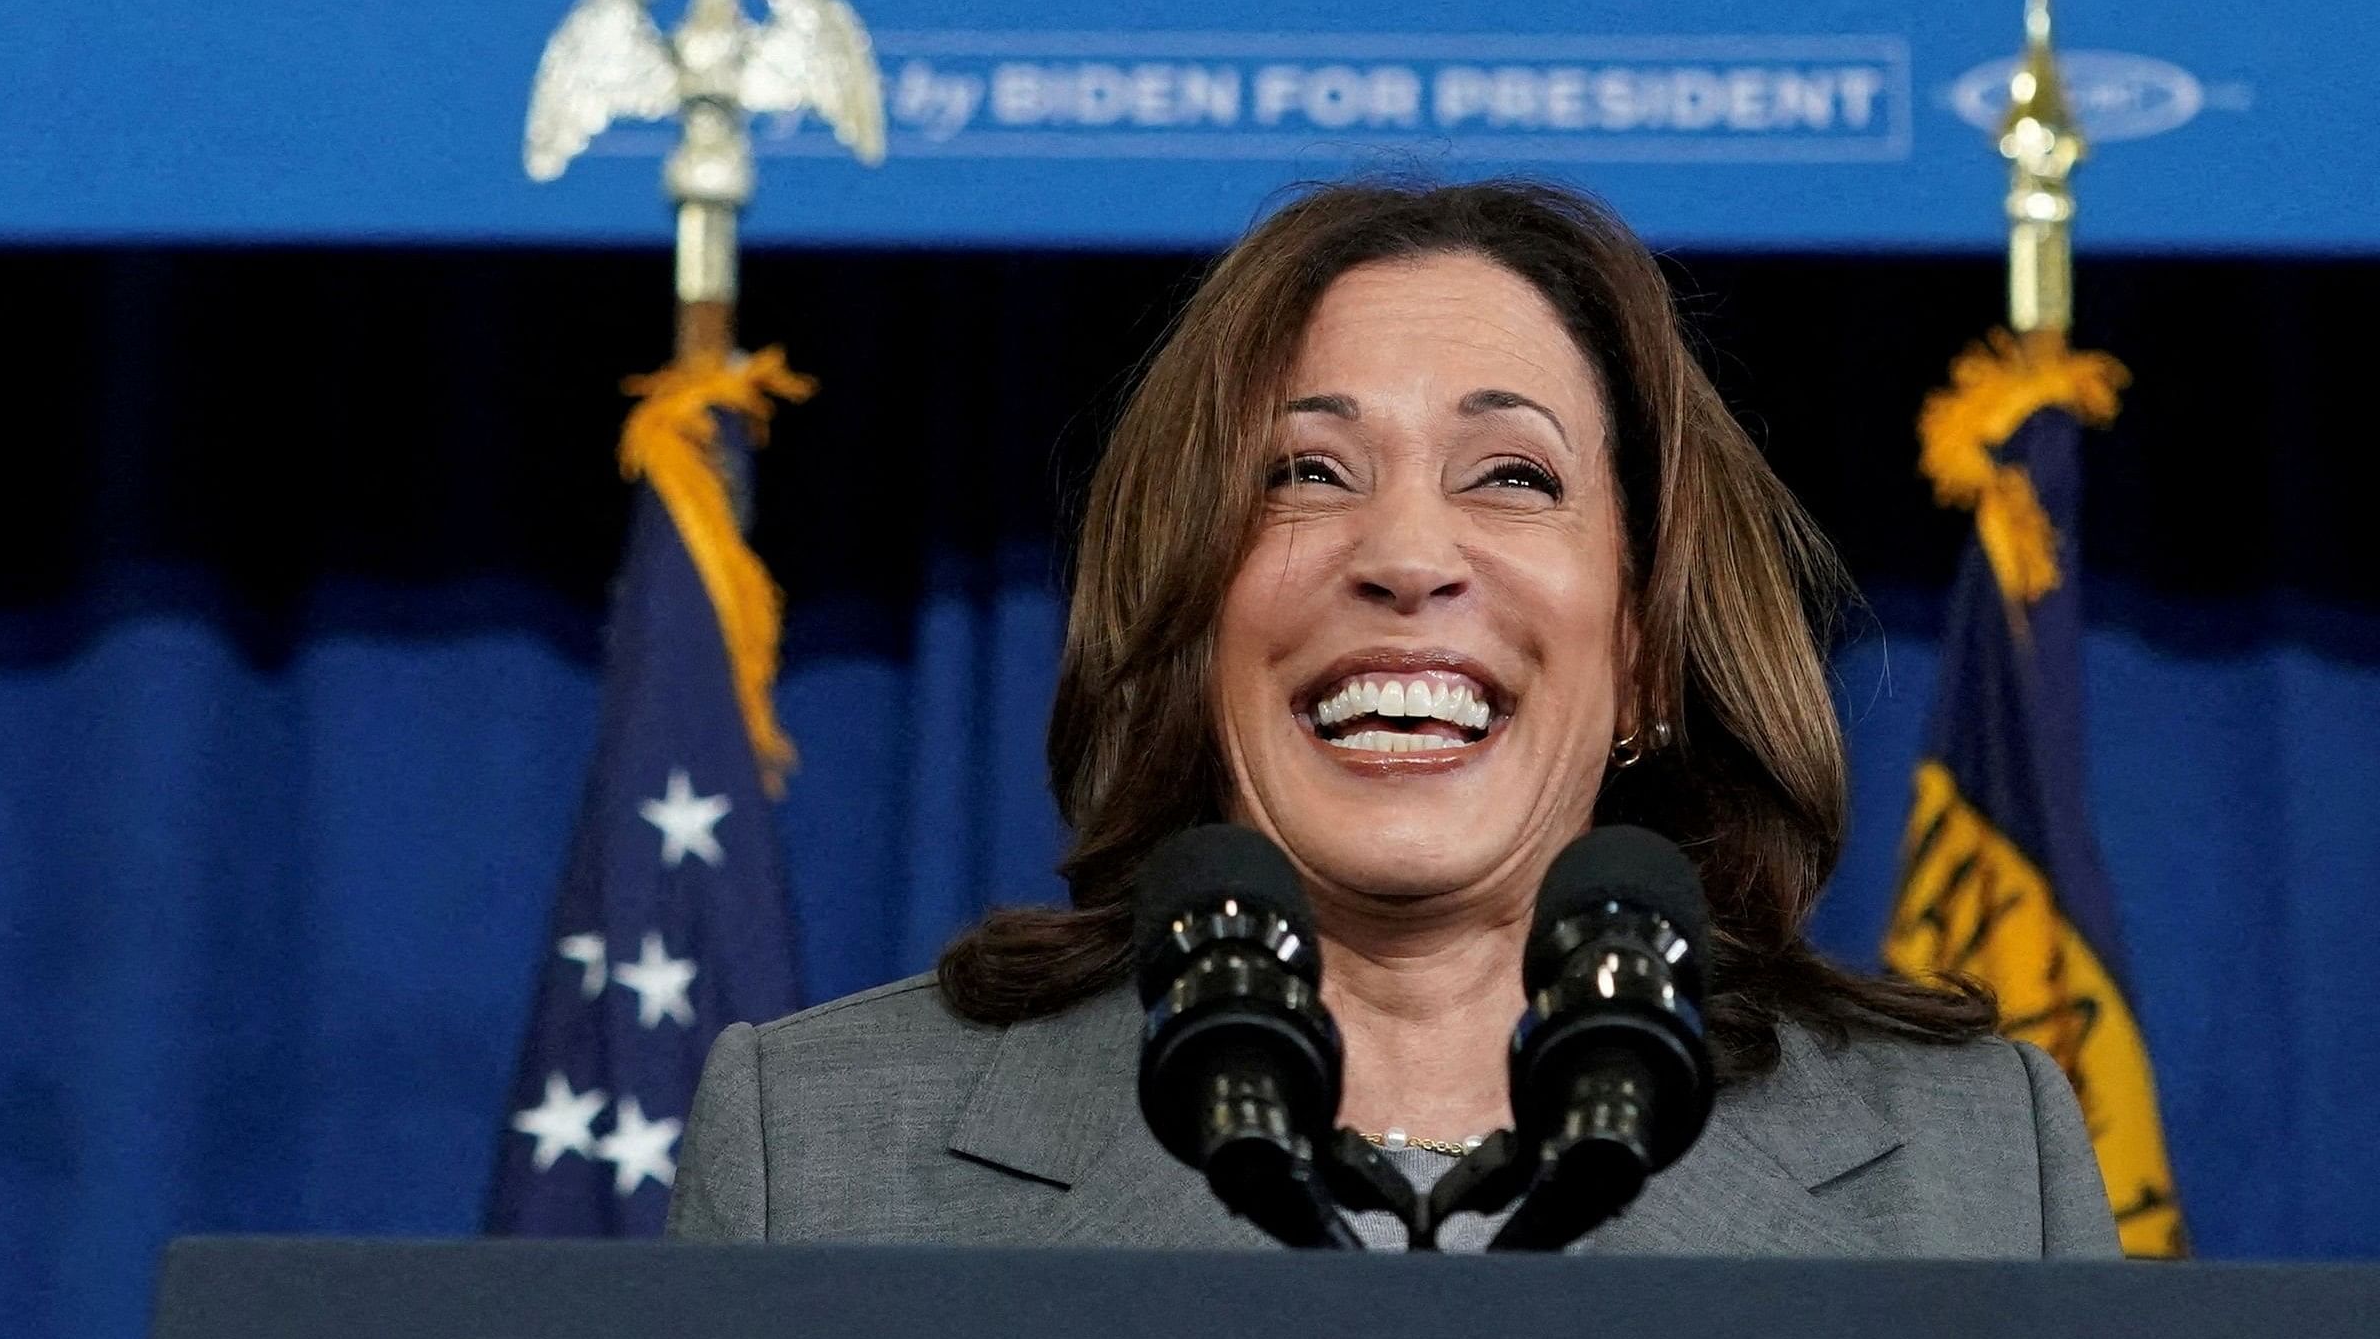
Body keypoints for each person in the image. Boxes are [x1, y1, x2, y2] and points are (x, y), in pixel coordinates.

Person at [669, 178, 2115, 1255]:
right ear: (1188, 616)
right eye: (1305, 470)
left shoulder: (1974, 1171)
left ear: (1648, 644)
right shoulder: (822, 1159)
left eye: (1511, 474)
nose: (1407, 554)